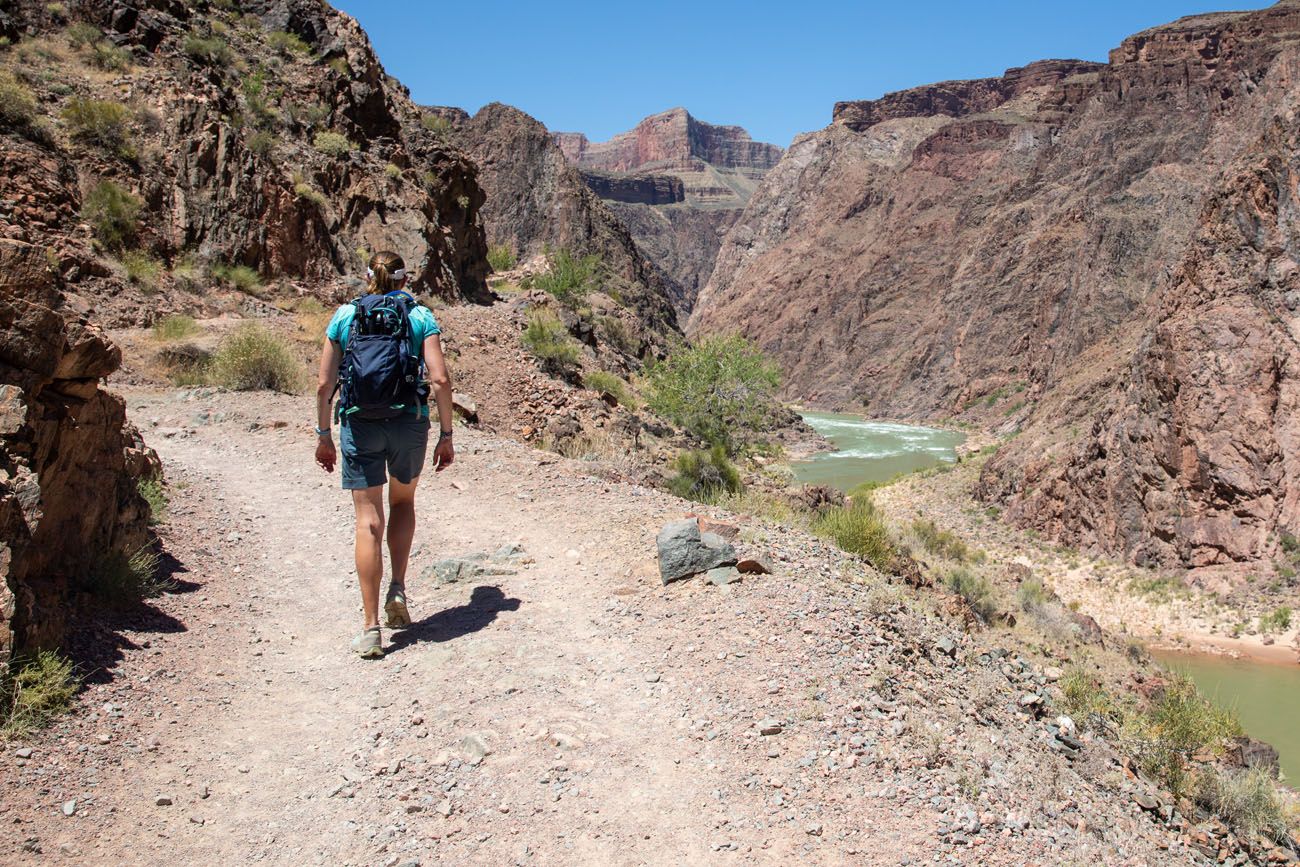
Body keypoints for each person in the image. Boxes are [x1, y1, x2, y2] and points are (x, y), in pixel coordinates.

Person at [313, 250, 455, 658]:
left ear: (367, 277)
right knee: (403, 502)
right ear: (403, 279)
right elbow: (440, 379)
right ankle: (399, 589)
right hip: (409, 421)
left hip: (360, 423)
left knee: (367, 520)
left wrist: (324, 434)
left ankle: (371, 628)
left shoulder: (344, 316)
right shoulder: (419, 316)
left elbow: (325, 385)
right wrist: (446, 434)